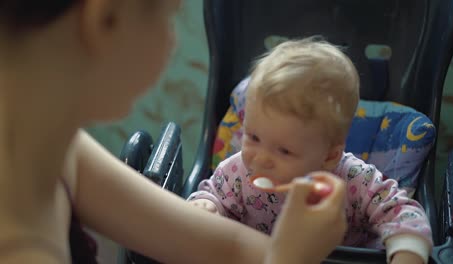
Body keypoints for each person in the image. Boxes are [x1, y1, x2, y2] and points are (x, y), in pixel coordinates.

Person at [0, 1, 348, 263]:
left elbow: (226, 245)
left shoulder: (49, 145)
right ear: (105, 18)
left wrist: (287, 250)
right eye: (169, 17)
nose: (172, 42)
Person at [188, 37, 433, 264]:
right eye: (253, 137)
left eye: (284, 151)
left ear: (329, 156)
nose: (261, 158)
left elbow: (401, 212)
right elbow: (213, 195)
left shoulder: (354, 180)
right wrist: (206, 206)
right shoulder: (236, 172)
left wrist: (407, 253)